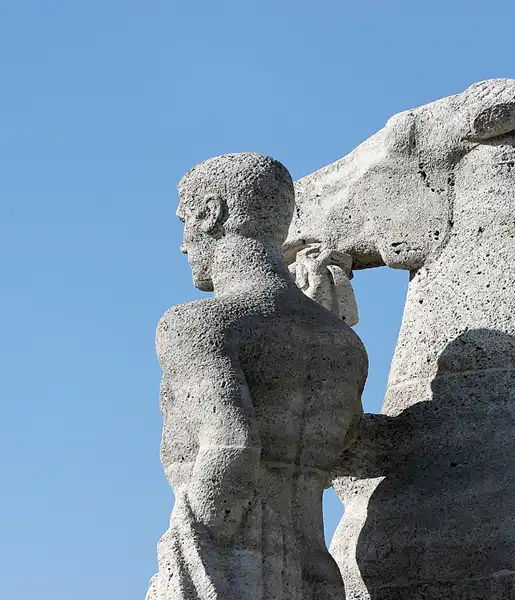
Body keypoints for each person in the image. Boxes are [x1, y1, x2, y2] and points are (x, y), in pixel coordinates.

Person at [146, 153, 367, 600]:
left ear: (212, 213)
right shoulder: (343, 343)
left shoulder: (197, 325)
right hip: (318, 579)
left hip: (241, 570)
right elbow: (351, 449)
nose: (184, 245)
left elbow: (231, 447)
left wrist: (185, 559)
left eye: (185, 221)